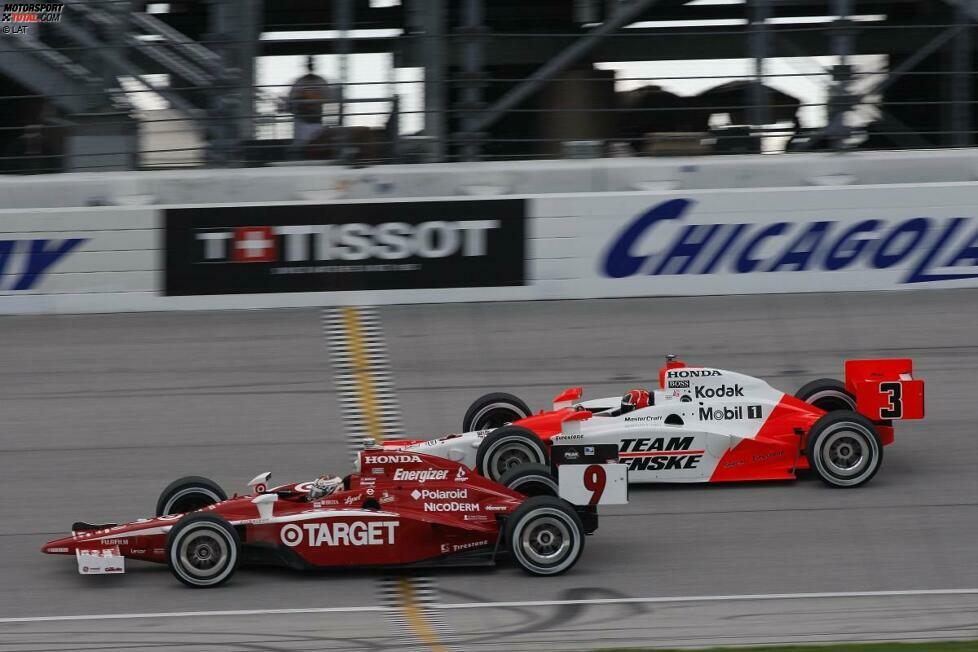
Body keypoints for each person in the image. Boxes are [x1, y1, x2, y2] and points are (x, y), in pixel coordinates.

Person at [287, 56, 335, 158]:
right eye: (309, 64)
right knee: (302, 145)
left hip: (318, 120)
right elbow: (291, 101)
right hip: (302, 121)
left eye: (312, 64)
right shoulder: (299, 82)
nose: (310, 66)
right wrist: (302, 102)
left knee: (318, 144)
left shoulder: (321, 81)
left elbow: (329, 100)